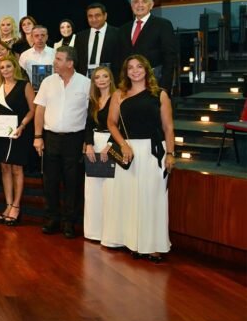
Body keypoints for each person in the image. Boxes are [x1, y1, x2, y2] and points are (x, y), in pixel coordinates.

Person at [102, 55, 175, 262]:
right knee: (131, 199)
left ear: (146, 69)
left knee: (152, 199)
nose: (135, 71)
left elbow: (168, 127)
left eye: (139, 67)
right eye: (131, 68)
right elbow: (111, 123)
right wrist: (123, 144)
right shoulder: (119, 94)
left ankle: (154, 246)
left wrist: (170, 153)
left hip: (154, 152)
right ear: (126, 72)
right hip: (129, 152)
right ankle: (133, 242)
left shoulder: (160, 94)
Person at [33, 46, 90, 239]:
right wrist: (38, 136)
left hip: (75, 139)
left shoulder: (86, 83)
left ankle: (69, 222)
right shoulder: (47, 82)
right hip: (51, 138)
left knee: (73, 182)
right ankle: (52, 218)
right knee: (50, 181)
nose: (54, 62)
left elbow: (91, 114)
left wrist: (87, 140)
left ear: (70, 63)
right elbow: (39, 111)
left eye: (58, 59)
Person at [0, 55, 35, 226]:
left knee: (16, 168)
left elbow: (33, 110)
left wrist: (22, 126)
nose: (5, 70)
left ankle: (16, 206)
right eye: (2, 67)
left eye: (8, 66)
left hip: (19, 132)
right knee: (4, 167)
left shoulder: (24, 85)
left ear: (14, 67)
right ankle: (8, 205)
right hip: (1, 133)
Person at [119, 0, 177, 92]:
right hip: (129, 86)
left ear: (151, 5)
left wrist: (164, 87)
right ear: (131, 6)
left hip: (154, 84)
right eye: (136, 2)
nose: (139, 5)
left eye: (144, 1)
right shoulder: (124, 29)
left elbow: (169, 57)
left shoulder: (163, 25)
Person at [83, 66, 116, 241]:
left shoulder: (117, 99)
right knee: (93, 190)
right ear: (94, 81)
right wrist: (89, 144)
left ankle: (110, 233)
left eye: (105, 76)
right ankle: (93, 232)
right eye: (97, 77)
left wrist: (109, 145)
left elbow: (119, 125)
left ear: (110, 79)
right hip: (94, 145)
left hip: (112, 144)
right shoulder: (93, 100)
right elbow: (88, 124)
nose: (101, 80)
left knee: (110, 190)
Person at [74, 3, 121, 77]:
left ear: (105, 16)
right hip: (85, 80)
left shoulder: (118, 34)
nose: (94, 19)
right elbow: (77, 61)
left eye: (97, 15)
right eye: (90, 16)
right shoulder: (80, 37)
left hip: (109, 80)